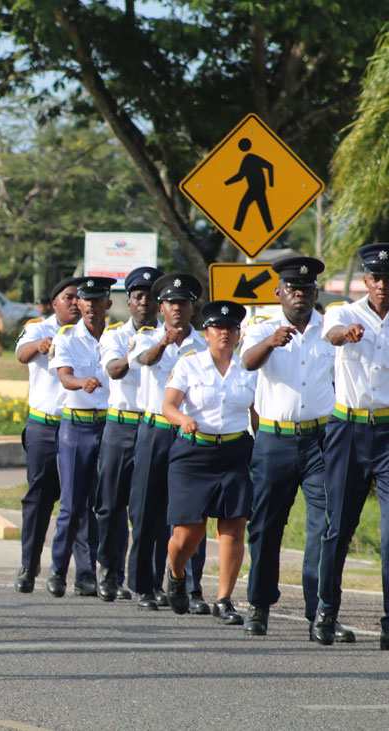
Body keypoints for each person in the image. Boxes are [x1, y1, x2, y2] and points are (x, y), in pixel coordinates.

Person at [240, 257, 338, 637]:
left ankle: (320, 613)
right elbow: (248, 363)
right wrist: (269, 342)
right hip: (273, 440)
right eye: (293, 290)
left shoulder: (329, 331)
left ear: (316, 293)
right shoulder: (262, 327)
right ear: (279, 293)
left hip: (320, 441)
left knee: (325, 525)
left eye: (307, 290)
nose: (300, 296)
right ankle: (259, 605)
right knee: (265, 526)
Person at [162, 300, 258, 624]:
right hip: (194, 455)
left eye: (232, 329)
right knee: (188, 534)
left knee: (233, 527)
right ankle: (176, 575)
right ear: (206, 333)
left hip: (234, 454)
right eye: (219, 328)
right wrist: (182, 419)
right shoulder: (190, 365)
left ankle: (224, 600)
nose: (225, 334)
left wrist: (261, 448)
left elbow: (255, 413)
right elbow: (168, 406)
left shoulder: (248, 369)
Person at [318, 242, 389, 651]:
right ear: (366, 281)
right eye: (376, 278)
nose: (382, 285)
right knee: (338, 527)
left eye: (388, 279)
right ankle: (327, 611)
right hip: (348, 429)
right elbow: (332, 333)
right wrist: (345, 335)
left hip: (386, 432)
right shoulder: (345, 312)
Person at [126, 273, 210, 613]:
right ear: (161, 308)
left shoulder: (206, 343)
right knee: (147, 510)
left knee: (192, 513)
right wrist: (164, 342)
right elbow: (145, 360)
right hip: (155, 431)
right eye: (172, 304)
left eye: (184, 304)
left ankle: (190, 587)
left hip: (190, 433)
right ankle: (144, 585)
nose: (178, 310)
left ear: (193, 309)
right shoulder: (146, 338)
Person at [95, 266, 163, 602]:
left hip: (154, 426)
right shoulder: (116, 336)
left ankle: (148, 581)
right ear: (129, 301)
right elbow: (114, 371)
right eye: (138, 297)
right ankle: (109, 572)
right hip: (120, 425)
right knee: (110, 505)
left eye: (151, 297)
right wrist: (139, 352)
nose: (144, 303)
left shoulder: (172, 336)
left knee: (148, 509)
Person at [47, 277, 116, 597]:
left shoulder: (117, 337)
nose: (88, 305)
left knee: (106, 505)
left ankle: (101, 574)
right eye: (84, 299)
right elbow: (64, 376)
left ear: (108, 304)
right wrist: (81, 382)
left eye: (96, 299)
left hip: (110, 426)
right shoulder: (66, 338)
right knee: (73, 505)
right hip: (76, 428)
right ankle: (60, 570)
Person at [13, 277, 80, 594]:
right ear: (55, 303)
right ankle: (29, 565)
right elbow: (21, 354)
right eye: (69, 297)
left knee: (77, 499)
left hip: (78, 425)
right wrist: (37, 346)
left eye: (80, 298)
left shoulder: (89, 334)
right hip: (44, 426)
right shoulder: (40, 327)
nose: (76, 303)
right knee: (39, 497)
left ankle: (80, 574)